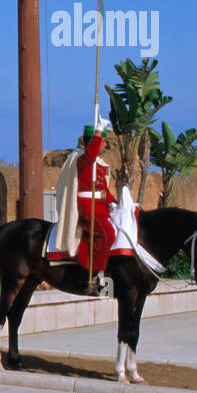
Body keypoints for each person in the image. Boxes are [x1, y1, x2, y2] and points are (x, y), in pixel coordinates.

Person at [76, 115, 116, 293]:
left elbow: (104, 190)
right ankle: (98, 275)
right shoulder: (84, 160)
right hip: (88, 207)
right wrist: (98, 131)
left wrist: (114, 202)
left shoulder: (98, 164)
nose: (105, 145)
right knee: (106, 233)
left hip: (100, 206)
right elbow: (91, 153)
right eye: (102, 141)